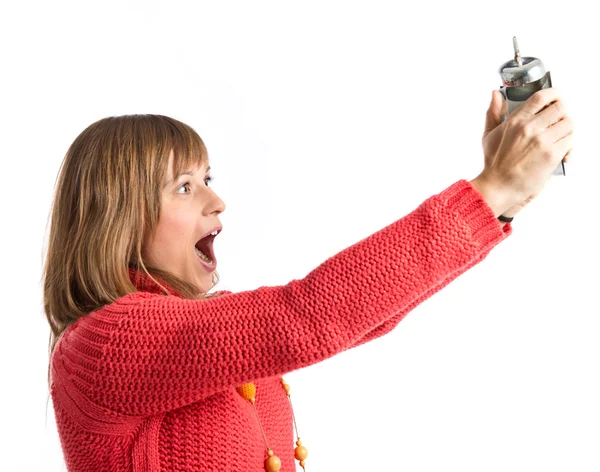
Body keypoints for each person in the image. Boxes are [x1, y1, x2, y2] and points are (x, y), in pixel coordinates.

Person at [43, 87, 573, 472]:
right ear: (118, 216)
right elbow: (305, 316)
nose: (215, 200)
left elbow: (362, 321)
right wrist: (489, 191)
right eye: (184, 187)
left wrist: (506, 202)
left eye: (208, 178)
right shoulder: (104, 343)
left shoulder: (184, 331)